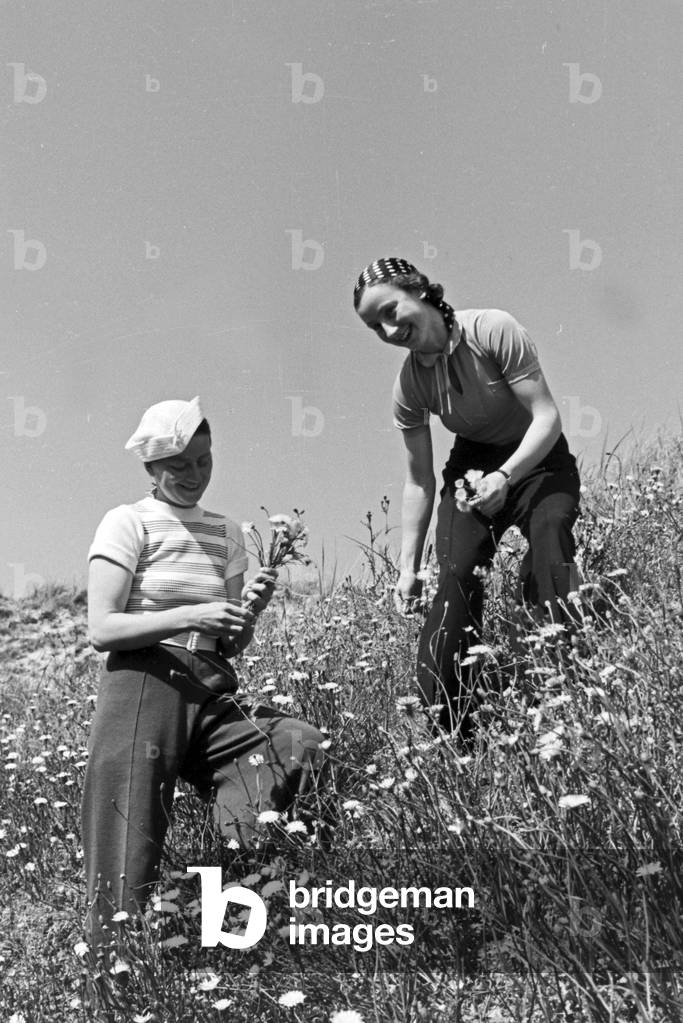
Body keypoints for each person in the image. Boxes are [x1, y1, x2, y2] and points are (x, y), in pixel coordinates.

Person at [82, 396, 323, 950]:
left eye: (203, 460)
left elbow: (232, 642)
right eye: (179, 466)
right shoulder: (128, 522)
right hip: (145, 679)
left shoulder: (225, 532)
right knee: (129, 821)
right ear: (151, 468)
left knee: (294, 743)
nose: (194, 476)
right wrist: (192, 613)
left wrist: (250, 612)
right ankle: (115, 970)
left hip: (211, 681)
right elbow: (102, 628)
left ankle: (234, 886)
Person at [354, 257, 581, 735]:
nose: (390, 330)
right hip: (470, 471)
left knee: (549, 535)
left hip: (536, 459)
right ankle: (449, 728)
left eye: (392, 311)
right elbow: (419, 482)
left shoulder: (493, 330)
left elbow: (546, 417)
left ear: (419, 290)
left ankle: (566, 678)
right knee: (456, 573)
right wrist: (407, 568)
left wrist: (506, 476)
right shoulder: (410, 386)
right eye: (376, 326)